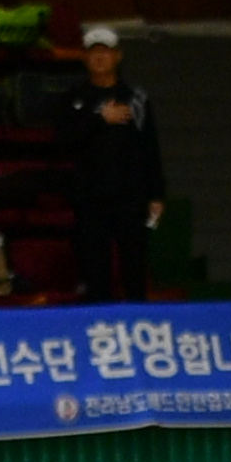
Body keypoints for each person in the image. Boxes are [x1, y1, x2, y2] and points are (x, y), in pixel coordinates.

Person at [61, 28, 168, 305]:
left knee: (134, 267)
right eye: (93, 52)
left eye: (105, 52)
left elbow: (149, 147)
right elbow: (62, 141)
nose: (99, 58)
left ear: (117, 56)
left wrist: (156, 194)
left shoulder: (136, 98)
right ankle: (103, 327)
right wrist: (99, 119)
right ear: (85, 58)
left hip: (130, 197)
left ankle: (137, 322)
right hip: (90, 198)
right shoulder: (73, 99)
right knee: (97, 271)